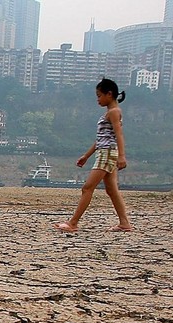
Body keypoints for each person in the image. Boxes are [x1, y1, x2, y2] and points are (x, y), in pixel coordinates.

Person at [55, 78, 134, 233]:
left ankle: (73, 222)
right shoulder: (110, 113)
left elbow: (119, 135)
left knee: (87, 188)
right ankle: (124, 223)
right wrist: (86, 156)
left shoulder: (114, 112)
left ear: (109, 94)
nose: (97, 99)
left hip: (107, 154)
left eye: (99, 95)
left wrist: (122, 156)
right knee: (112, 190)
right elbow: (101, 139)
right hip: (105, 152)